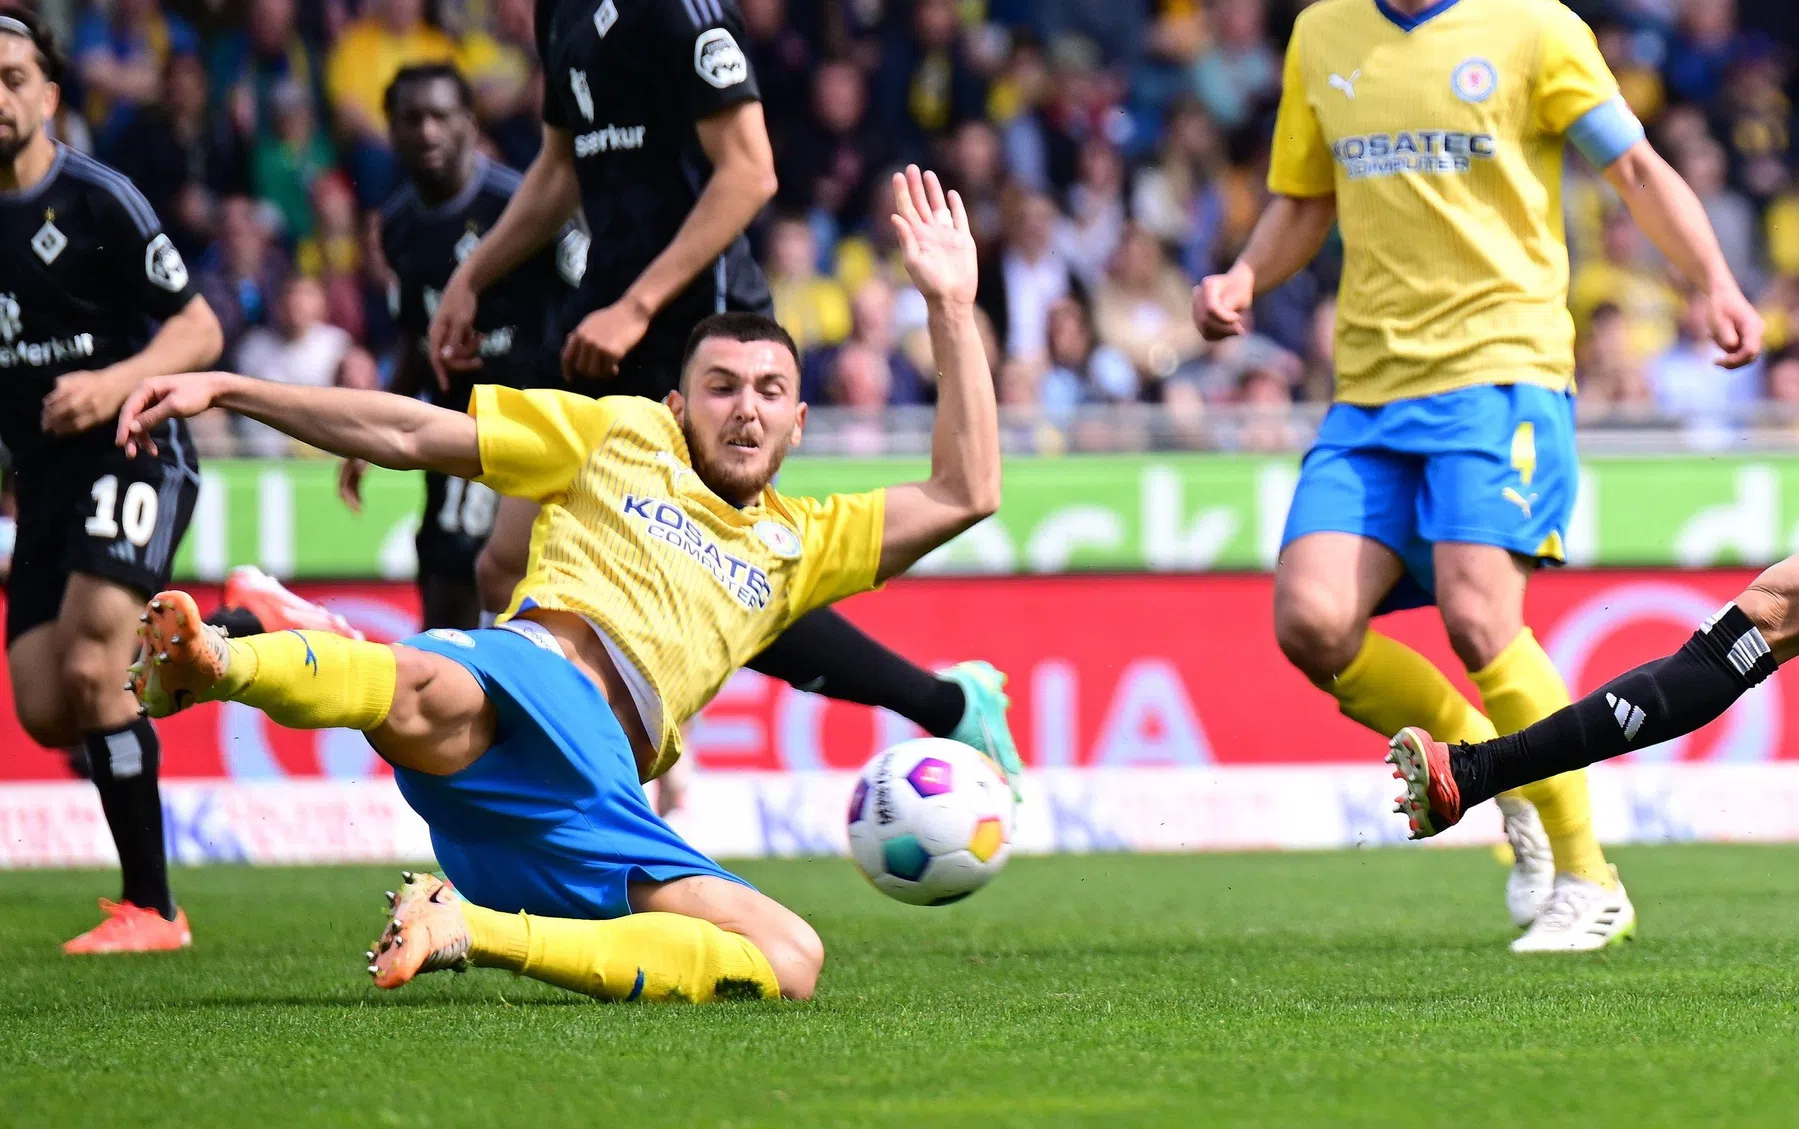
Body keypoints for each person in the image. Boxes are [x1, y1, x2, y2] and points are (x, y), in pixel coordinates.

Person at [119, 167, 995, 1005]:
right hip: (529, 681)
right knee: (429, 686)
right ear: (678, 405)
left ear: (798, 422)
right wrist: (231, 388)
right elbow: (418, 432)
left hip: (592, 796)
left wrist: (951, 303)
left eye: (770, 391)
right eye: (721, 387)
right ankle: (216, 660)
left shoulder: (804, 541)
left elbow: (965, 492)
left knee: (790, 956)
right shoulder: (621, 432)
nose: (747, 408)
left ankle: (468, 927)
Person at [1194, 0, 1763, 952]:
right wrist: (1246, 276)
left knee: (1477, 614)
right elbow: (1302, 199)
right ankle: (1493, 766)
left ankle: (1591, 879)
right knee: (1313, 621)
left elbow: (1628, 165)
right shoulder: (1321, 33)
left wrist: (1710, 278)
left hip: (1500, 373)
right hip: (1370, 391)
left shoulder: (1534, 28)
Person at [428, 0, 1019, 782]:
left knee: (724, 566)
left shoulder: (683, 11)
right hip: (597, 312)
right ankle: (605, 751)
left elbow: (750, 172)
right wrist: (475, 272)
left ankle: (940, 706)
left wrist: (639, 305)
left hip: (694, 328)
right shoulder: (558, 11)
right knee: (501, 566)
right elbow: (562, 168)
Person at [0, 9, 223, 953]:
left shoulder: (98, 199)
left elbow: (201, 330)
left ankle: (153, 908)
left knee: (97, 669)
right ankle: (237, 633)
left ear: (48, 95)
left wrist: (111, 384)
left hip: (133, 450)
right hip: (43, 482)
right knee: (48, 706)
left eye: (12, 77)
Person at [340, 64, 585, 632]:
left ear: (469, 126)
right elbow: (414, 342)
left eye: (440, 117)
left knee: (527, 596)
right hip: (459, 430)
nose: (427, 132)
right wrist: (364, 437)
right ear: (391, 131)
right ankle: (453, 710)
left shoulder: (527, 207)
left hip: (540, 423)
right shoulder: (397, 229)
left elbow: (592, 301)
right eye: (411, 119)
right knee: (446, 590)